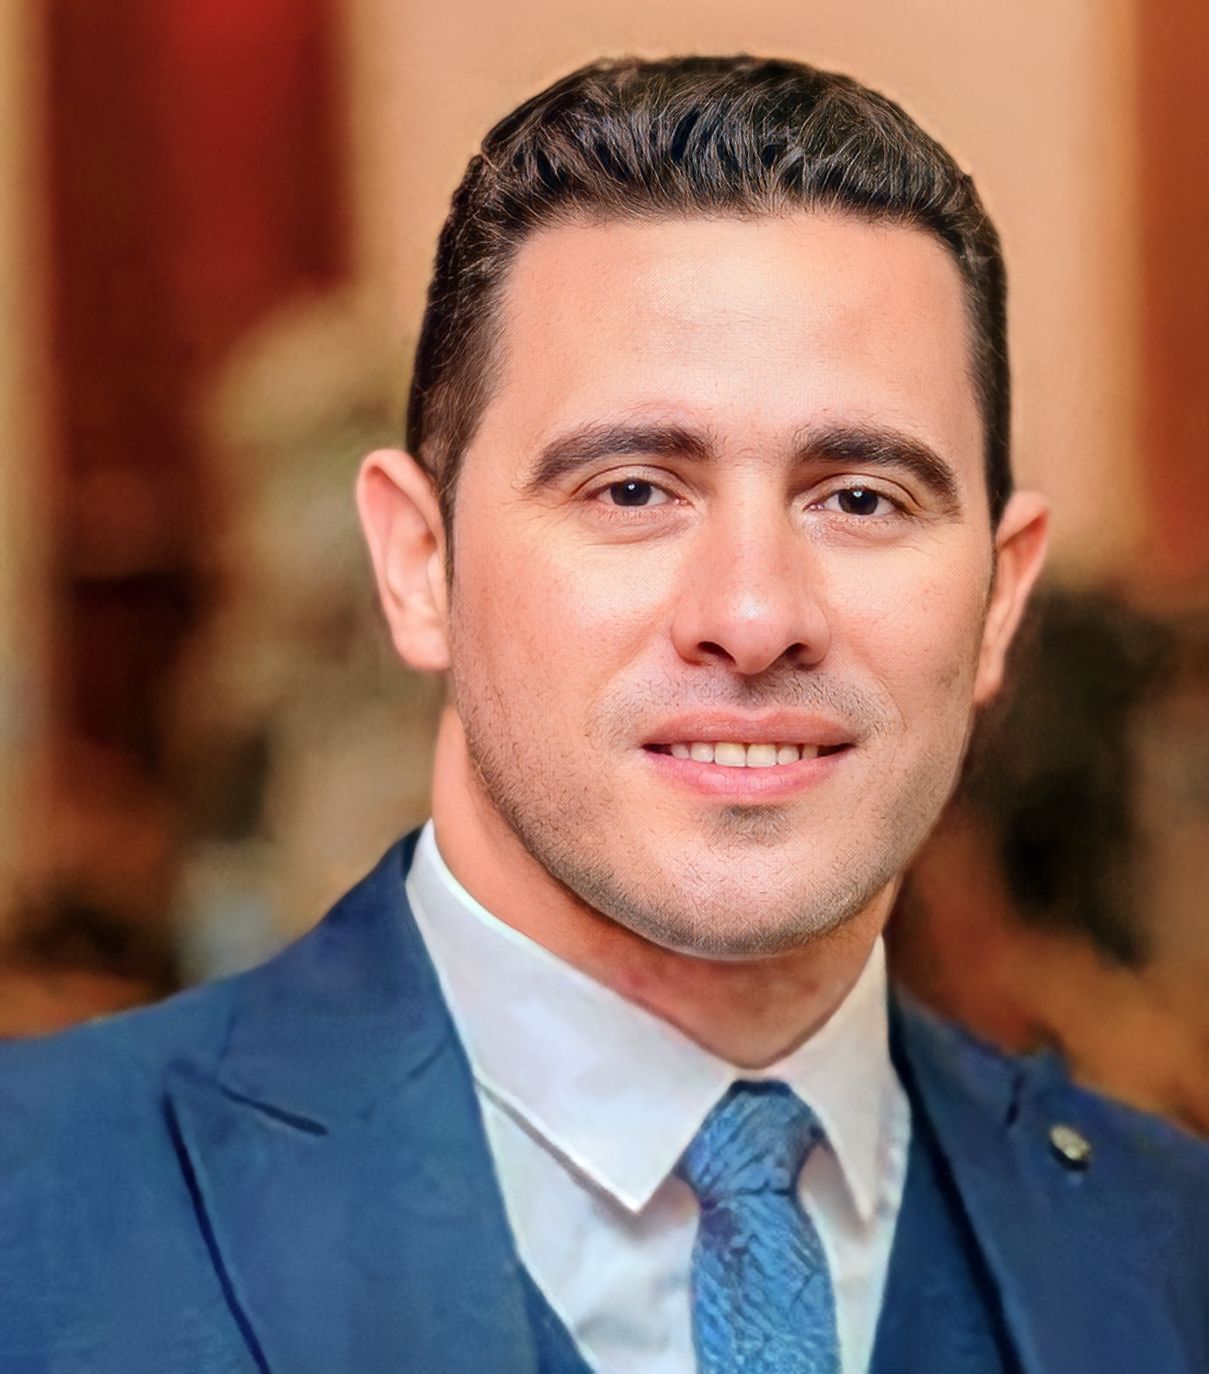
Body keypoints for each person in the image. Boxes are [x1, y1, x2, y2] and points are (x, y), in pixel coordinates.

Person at [2, 55, 1206, 1374]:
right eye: (632, 489)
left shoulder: (1167, 1249)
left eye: (860, 498)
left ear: (998, 598)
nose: (754, 613)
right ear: (418, 564)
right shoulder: (40, 1210)